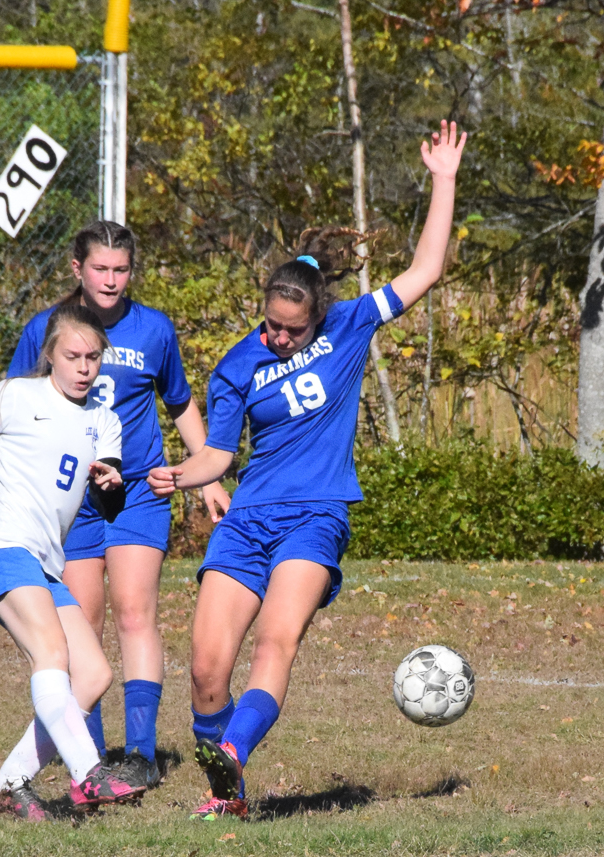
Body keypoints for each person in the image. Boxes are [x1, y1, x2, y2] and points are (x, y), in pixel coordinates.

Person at [148, 120, 466, 820]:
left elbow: (425, 271)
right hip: (249, 518)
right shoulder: (239, 363)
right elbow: (221, 455)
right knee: (204, 671)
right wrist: (184, 474)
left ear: (316, 316)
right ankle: (223, 783)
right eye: (271, 325)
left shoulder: (350, 324)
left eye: (291, 329)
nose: (278, 337)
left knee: (277, 638)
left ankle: (229, 764)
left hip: (317, 513)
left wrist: (442, 179)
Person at [7, 222, 229, 791]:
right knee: (83, 622)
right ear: (77, 270)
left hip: (137, 492)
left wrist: (204, 473)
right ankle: (93, 755)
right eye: (100, 269)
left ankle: (141, 754)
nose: (111, 280)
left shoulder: (154, 329)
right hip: (70, 499)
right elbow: (16, 408)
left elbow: (179, 404)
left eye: (121, 269)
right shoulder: (45, 330)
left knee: (135, 611)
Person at [0, 301, 146, 819]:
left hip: (43, 562)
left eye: (93, 357)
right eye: (73, 356)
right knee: (52, 655)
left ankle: (8, 783)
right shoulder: (17, 397)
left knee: (92, 675)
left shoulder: (104, 421)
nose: (85, 367)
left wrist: (113, 484)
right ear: (50, 356)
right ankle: (89, 772)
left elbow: (109, 500)